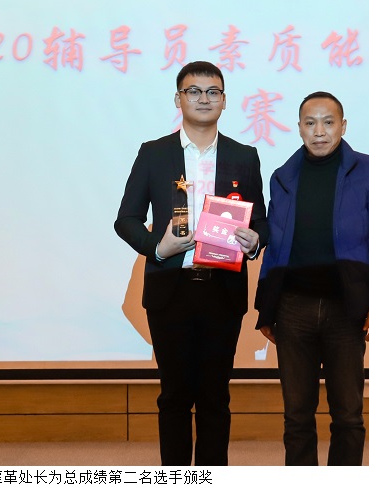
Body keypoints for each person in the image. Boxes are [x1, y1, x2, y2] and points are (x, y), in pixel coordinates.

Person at [114, 61, 268, 466]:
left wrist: (255, 242)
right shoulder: (153, 153)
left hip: (223, 289)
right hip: (170, 290)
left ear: (224, 101)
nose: (203, 99)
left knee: (215, 396)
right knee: (175, 396)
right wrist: (158, 248)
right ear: (178, 99)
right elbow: (126, 219)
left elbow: (262, 222)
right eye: (194, 91)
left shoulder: (244, 156)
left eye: (212, 92)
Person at [255, 91, 369, 466]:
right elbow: (276, 247)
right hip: (292, 308)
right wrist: (266, 309)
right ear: (299, 128)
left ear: (343, 126)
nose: (319, 131)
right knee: (296, 417)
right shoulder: (282, 177)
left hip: (346, 308)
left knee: (348, 416)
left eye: (328, 122)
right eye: (310, 123)